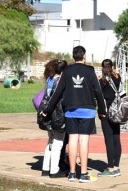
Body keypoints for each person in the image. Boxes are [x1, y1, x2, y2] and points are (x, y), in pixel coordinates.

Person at [42, 45, 107, 183]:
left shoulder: (67, 71)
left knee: (72, 140)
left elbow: (58, 92)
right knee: (83, 141)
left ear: (73, 57)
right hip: (87, 110)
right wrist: (102, 110)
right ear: (84, 56)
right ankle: (83, 174)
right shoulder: (90, 71)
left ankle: (72, 173)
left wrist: (47, 110)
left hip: (70, 110)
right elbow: (98, 91)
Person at [41, 59, 67, 178]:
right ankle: (54, 170)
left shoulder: (49, 79)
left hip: (47, 113)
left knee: (50, 141)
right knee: (58, 142)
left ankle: (45, 168)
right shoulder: (61, 81)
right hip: (58, 114)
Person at [99, 58, 123, 177]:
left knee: (109, 141)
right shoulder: (117, 77)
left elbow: (100, 97)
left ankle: (110, 167)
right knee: (116, 139)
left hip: (107, 112)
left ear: (103, 67)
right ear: (112, 66)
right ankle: (117, 166)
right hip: (117, 112)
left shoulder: (102, 81)